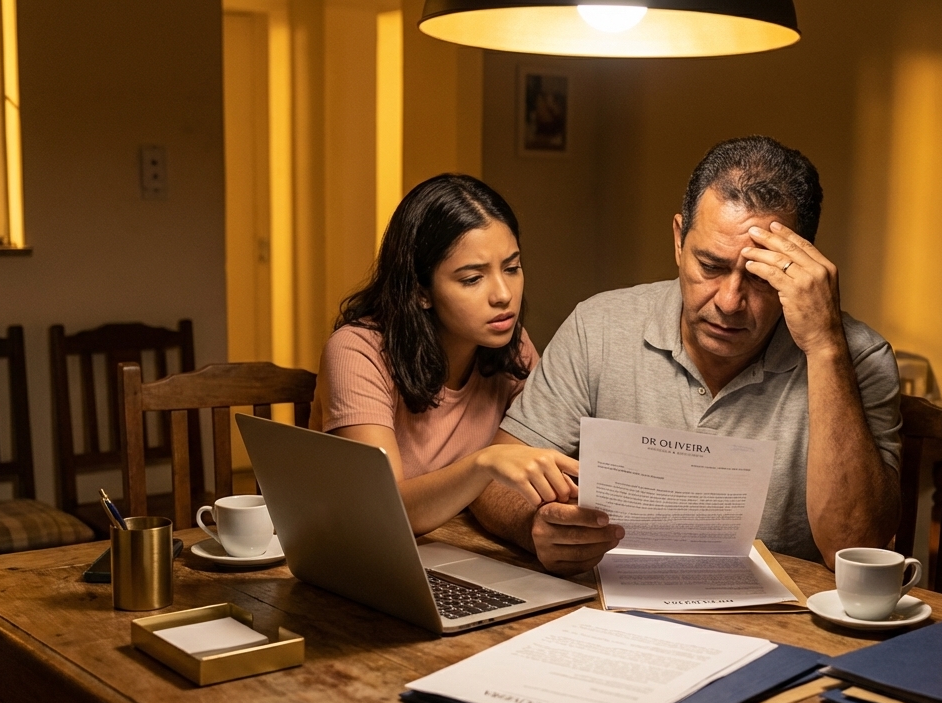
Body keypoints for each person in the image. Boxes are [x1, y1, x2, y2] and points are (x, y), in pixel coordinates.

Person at [469, 136, 903, 575]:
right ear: (679, 240)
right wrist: (536, 528)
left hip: (779, 620)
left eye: (760, 275)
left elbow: (855, 544)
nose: (730, 302)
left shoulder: (858, 357)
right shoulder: (598, 326)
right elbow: (490, 484)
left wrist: (825, 346)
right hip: (611, 607)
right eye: (710, 267)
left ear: (802, 264)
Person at [309, 173, 578, 536]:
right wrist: (484, 464)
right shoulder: (357, 351)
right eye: (472, 279)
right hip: (360, 554)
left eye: (512, 268)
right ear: (421, 292)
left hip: (457, 547)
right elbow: (382, 510)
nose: (503, 294)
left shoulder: (511, 346)